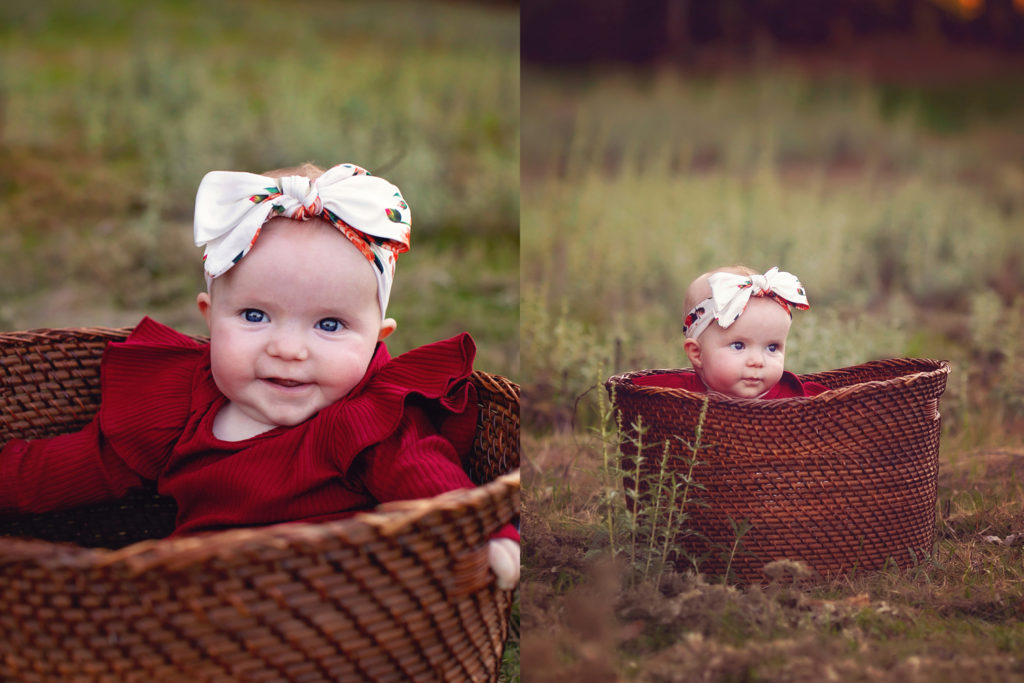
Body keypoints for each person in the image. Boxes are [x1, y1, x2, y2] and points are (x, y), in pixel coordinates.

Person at [0, 162, 519, 589]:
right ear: (208, 316)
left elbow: (430, 480)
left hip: (333, 616)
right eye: (254, 316)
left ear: (377, 339)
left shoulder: (365, 421)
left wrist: (492, 534)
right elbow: (65, 467)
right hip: (186, 608)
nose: (287, 349)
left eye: (330, 324)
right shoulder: (177, 403)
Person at [633, 265, 828, 399]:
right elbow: (631, 394)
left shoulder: (794, 398)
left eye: (772, 347)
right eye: (738, 345)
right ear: (697, 353)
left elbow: (838, 407)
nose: (757, 362)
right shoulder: (673, 397)